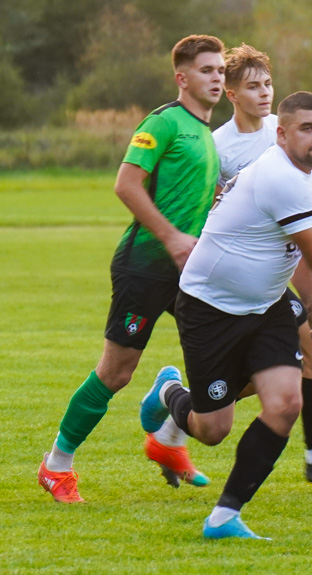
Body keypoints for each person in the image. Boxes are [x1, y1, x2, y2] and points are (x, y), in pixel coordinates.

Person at [140, 91, 312, 540]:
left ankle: (223, 518)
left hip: (267, 305)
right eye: (307, 128)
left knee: (284, 403)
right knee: (211, 428)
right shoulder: (280, 177)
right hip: (210, 308)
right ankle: (170, 393)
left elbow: (298, 252)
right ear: (280, 134)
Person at [37, 35, 226, 503]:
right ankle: (56, 465)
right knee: (116, 371)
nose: (217, 78)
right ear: (182, 77)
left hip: (192, 272)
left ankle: (169, 436)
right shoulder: (163, 123)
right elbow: (126, 184)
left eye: (220, 70)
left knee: (228, 357)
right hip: (144, 267)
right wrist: (171, 236)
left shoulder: (207, 134)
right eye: (206, 70)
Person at [207, 43, 312, 487]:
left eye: (268, 84)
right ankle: (178, 406)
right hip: (238, 273)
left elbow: (310, 185)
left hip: (281, 268)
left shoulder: (287, 126)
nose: (264, 93)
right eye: (252, 86)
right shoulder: (218, 147)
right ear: (231, 94)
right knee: (231, 398)